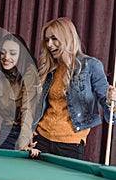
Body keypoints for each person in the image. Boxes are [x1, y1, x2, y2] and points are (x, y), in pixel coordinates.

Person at [32, 17, 116, 160]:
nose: (50, 45)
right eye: (47, 40)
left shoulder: (91, 66)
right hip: (41, 140)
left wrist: (110, 102)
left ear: (68, 38)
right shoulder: (49, 69)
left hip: (70, 144)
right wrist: (30, 130)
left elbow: (111, 116)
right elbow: (39, 107)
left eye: (54, 39)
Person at [0, 33, 40, 153]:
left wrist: (23, 143)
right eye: (3, 52)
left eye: (12, 53)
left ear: (21, 55)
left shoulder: (29, 71)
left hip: (27, 131)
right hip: (7, 129)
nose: (6, 57)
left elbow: (28, 109)